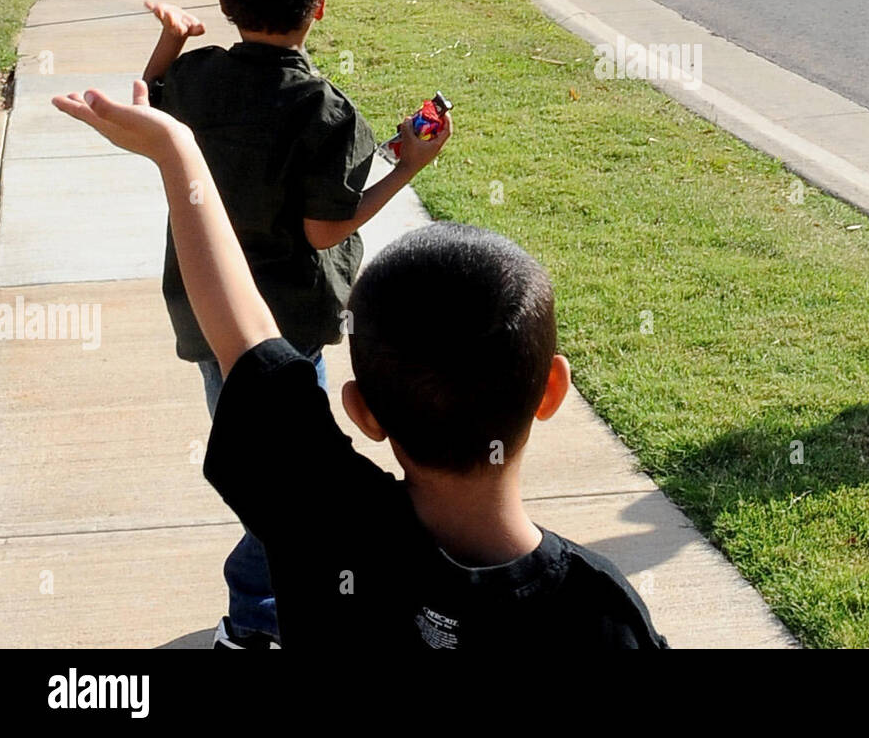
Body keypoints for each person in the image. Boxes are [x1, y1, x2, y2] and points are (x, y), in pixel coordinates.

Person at [51, 82, 668, 650]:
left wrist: (175, 149)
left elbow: (241, 329)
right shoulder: (604, 614)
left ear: (362, 411)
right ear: (551, 388)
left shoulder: (322, 519)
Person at [141, 0, 448, 647]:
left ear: (226, 1)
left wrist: (172, 38)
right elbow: (326, 229)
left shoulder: (198, 78)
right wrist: (406, 166)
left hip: (206, 313)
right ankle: (252, 619)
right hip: (284, 330)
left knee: (266, 462)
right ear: (320, 4)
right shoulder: (324, 110)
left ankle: (269, 608)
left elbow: (150, 97)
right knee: (289, 487)